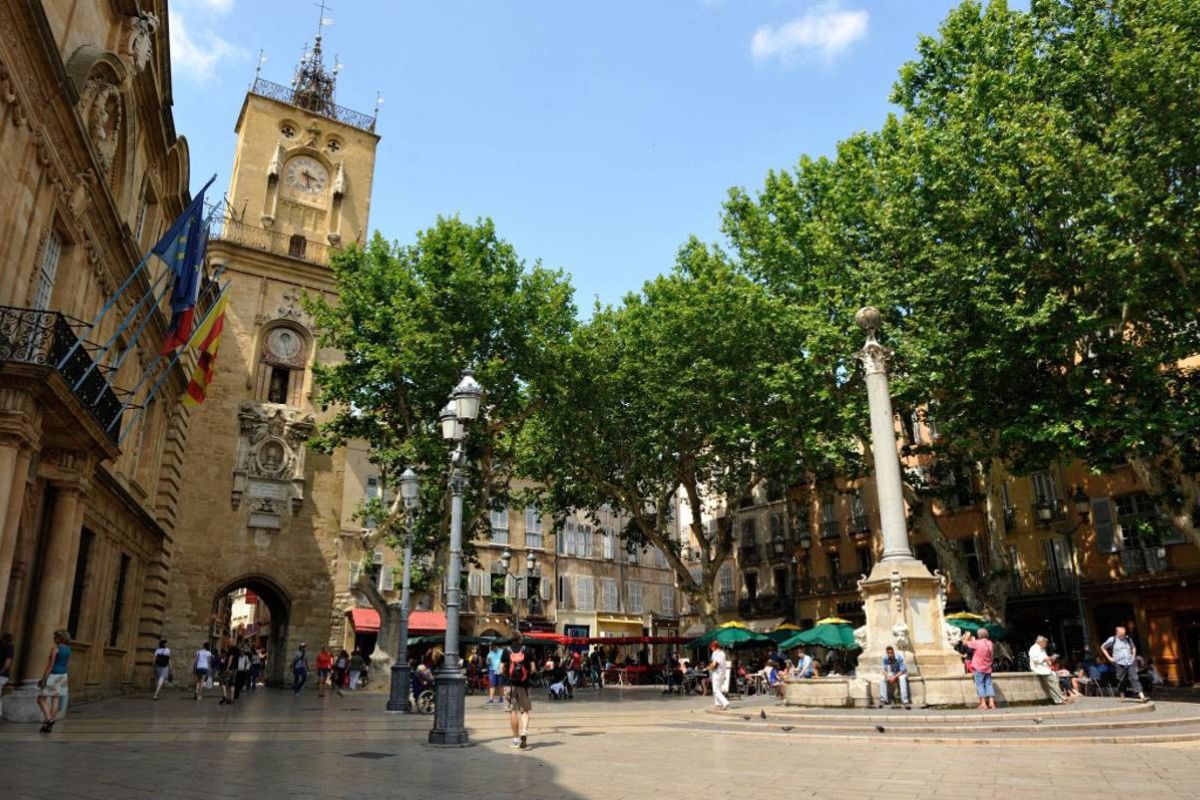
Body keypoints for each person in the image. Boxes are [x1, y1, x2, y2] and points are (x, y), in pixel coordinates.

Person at [502, 633, 537, 749]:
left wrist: (506, 676)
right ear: (520, 639)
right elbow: (533, 669)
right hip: (524, 685)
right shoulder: (527, 650)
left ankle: (516, 739)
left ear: (511, 640)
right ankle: (524, 732)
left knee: (513, 711)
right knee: (525, 711)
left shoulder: (506, 651)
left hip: (510, 685)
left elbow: (501, 668)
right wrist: (527, 676)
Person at [1100, 624, 1147, 702]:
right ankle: (1122, 695)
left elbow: (1133, 647)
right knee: (1122, 680)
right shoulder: (1112, 639)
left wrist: (1133, 656)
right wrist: (1109, 658)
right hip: (1119, 663)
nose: (1123, 635)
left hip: (1129, 662)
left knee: (1135, 678)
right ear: (1117, 633)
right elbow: (1103, 647)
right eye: (1121, 634)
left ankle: (1142, 696)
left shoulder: (1128, 638)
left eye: (1124, 633)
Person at [36, 629, 71, 733]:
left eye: (55, 636)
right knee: (55, 700)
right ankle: (48, 724)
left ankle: (49, 719)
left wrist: (43, 679)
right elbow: (68, 665)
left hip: (54, 675)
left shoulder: (55, 648)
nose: (53, 638)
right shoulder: (69, 649)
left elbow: (50, 665)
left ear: (60, 638)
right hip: (63, 676)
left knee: (41, 699)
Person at [1028, 635, 1068, 705]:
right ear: (1041, 642)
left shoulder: (1042, 649)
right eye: (1045, 643)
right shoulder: (1034, 648)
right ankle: (1062, 699)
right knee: (1053, 684)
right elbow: (1035, 659)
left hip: (1046, 669)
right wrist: (1048, 659)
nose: (1046, 645)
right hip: (1041, 669)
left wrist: (1051, 659)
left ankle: (1059, 700)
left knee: (1054, 683)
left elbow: (1046, 658)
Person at [963, 629, 996, 710]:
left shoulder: (977, 642)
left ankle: (983, 704)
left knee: (980, 685)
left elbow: (964, 643)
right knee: (988, 684)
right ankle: (992, 703)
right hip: (988, 667)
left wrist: (967, 635)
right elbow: (992, 655)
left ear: (979, 635)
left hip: (978, 667)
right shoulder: (990, 643)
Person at [707, 641, 731, 711]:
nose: (711, 649)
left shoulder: (715, 653)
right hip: (722, 673)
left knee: (716, 690)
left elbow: (714, 664)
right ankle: (717, 704)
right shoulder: (723, 653)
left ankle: (725, 702)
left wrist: (707, 668)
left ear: (713, 647)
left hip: (716, 673)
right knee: (719, 689)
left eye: (711, 647)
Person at [0, 632, 14, 718]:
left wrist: (1, 672)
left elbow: (7, 663)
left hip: (2, 675)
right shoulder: (7, 648)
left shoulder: (9, 648)